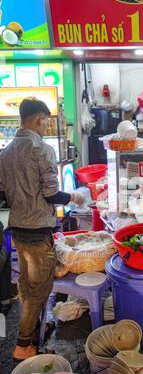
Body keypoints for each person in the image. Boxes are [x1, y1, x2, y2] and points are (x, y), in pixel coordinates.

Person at [0, 98, 85, 360]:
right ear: (39, 118)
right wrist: (73, 197)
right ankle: (24, 344)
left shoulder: (6, 151)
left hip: (18, 230)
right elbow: (50, 194)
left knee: (26, 285)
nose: (47, 125)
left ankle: (34, 329)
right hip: (38, 232)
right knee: (40, 288)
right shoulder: (42, 149)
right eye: (47, 120)